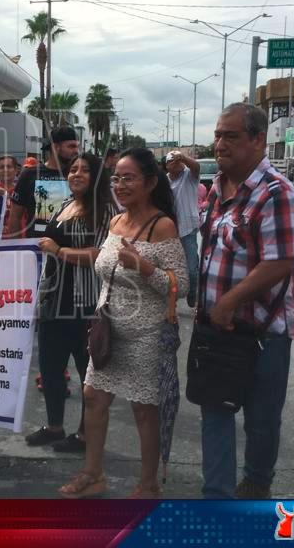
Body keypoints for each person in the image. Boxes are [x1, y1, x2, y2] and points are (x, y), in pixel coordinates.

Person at [59, 148, 188, 499]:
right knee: (93, 397)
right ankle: (92, 473)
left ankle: (147, 486)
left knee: (144, 411)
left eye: (128, 177)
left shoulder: (162, 225)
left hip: (146, 335)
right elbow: (104, 269)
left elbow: (181, 285)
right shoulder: (116, 222)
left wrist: (144, 267)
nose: (120, 184)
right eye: (116, 177)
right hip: (108, 333)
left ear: (150, 182)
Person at [199, 103, 294, 499]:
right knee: (214, 411)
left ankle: (256, 486)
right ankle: (217, 498)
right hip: (217, 329)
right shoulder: (218, 188)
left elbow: (279, 263)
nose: (220, 143)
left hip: (262, 332)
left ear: (259, 140)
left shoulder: (276, 193)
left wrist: (228, 301)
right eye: (218, 135)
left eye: (231, 136)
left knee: (260, 421)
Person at [27, 153, 117, 453]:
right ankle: (54, 426)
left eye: (85, 170)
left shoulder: (106, 209)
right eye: (73, 169)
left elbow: (103, 254)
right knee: (51, 369)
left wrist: (59, 250)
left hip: (85, 305)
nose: (76, 174)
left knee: (87, 376)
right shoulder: (64, 205)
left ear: (97, 177)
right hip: (53, 300)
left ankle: (84, 435)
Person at [7, 126, 79, 239]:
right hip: (37, 249)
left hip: (70, 250)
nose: (76, 151)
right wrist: (15, 249)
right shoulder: (29, 175)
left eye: (76, 146)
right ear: (55, 147)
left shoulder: (77, 176)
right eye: (71, 146)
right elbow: (15, 216)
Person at [164, 151, 202, 308]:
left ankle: (192, 293)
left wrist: (184, 158)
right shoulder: (164, 181)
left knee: (192, 269)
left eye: (179, 160)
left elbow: (196, 167)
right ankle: (170, 301)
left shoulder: (189, 176)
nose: (177, 163)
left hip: (188, 229)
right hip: (171, 231)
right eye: (173, 161)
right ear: (167, 165)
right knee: (171, 270)